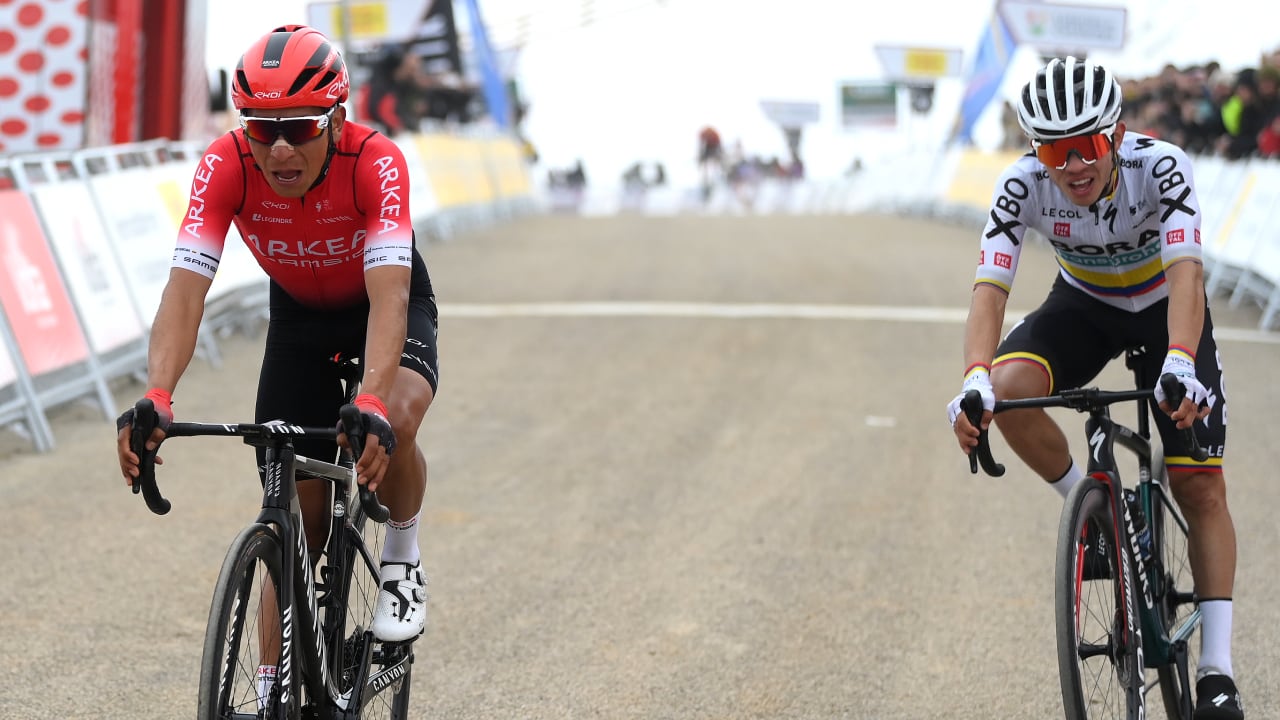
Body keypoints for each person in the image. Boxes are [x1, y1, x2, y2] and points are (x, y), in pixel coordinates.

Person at [115, 23, 438, 701]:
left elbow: (391, 296)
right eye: (262, 129)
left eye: (299, 126)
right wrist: (159, 396)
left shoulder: (376, 161)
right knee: (295, 518)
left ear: (339, 119)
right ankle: (272, 692)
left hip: (382, 308)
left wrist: (373, 403)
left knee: (398, 419)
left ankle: (403, 558)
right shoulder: (225, 164)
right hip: (298, 319)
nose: (281, 147)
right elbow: (184, 289)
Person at [946, 57, 1244, 720]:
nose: (1073, 166)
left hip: (1167, 304)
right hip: (1084, 305)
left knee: (1200, 484)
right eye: (1055, 149)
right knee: (1007, 387)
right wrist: (972, 379)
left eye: (1087, 146)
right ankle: (1096, 517)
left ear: (1115, 135)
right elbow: (989, 289)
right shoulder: (1023, 184)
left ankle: (1217, 673)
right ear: (1035, 149)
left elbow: (1188, 274)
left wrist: (1180, 363)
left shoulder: (1161, 167)